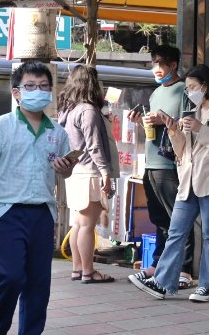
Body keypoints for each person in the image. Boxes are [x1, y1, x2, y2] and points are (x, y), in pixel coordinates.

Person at [0, 61, 75, 335]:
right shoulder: (1, 126)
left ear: (51, 91)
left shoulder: (58, 132)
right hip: (6, 212)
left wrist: (67, 169)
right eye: (30, 86)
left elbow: (63, 173)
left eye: (43, 86)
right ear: (17, 92)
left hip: (42, 213)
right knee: (10, 276)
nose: (37, 91)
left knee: (39, 283)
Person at [130, 64, 209, 302]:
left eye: (192, 87)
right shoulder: (192, 109)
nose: (189, 92)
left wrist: (201, 129)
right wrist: (173, 130)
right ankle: (163, 282)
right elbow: (181, 151)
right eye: (187, 88)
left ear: (205, 86)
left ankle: (208, 286)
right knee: (176, 231)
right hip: (187, 180)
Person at [127, 45, 194, 289]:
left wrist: (164, 119)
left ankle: (185, 270)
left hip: (172, 164)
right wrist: (140, 121)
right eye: (153, 63)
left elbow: (191, 124)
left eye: (160, 63)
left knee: (178, 217)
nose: (156, 68)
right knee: (159, 218)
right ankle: (158, 264)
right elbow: (152, 131)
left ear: (173, 65)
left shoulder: (184, 90)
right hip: (152, 163)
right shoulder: (156, 93)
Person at [57, 65, 115, 284]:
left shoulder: (68, 110)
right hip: (90, 172)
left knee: (78, 224)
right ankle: (89, 272)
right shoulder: (88, 111)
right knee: (87, 225)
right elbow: (95, 146)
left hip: (75, 172)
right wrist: (106, 173)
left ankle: (77, 269)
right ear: (91, 83)